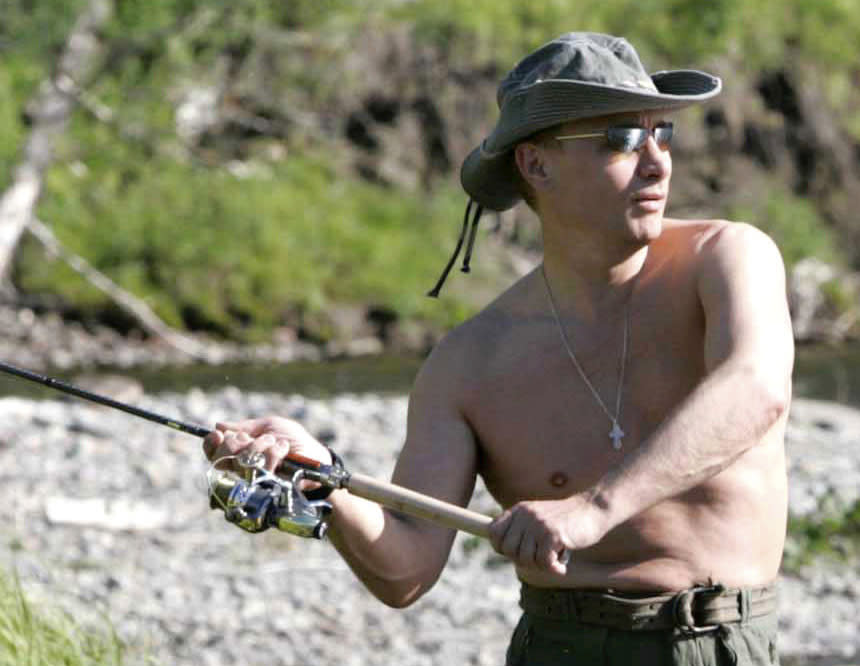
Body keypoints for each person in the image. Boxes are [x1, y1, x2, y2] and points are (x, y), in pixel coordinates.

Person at [203, 32, 794, 665]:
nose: (657, 161)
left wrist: (593, 509)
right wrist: (326, 480)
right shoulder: (468, 364)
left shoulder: (728, 258)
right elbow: (405, 571)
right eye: (622, 139)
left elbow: (755, 388)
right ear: (536, 164)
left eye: (662, 134)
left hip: (717, 642)